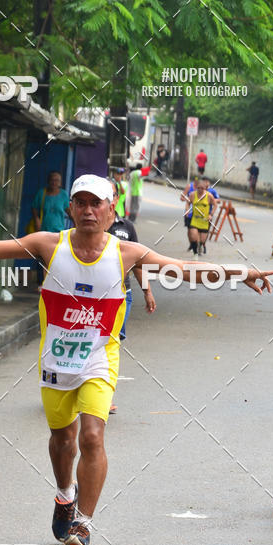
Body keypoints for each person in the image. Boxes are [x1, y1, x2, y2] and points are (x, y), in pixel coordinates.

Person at [0, 175, 273, 545]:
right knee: (63, 442)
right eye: (81, 203)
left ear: (110, 211)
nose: (89, 210)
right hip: (56, 360)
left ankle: (83, 525)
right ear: (71, 209)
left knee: (91, 438)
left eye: (97, 204)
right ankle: (65, 494)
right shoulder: (48, 244)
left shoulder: (127, 253)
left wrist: (242, 274)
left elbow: (183, 269)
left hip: (99, 359)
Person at [106, 178, 156, 415]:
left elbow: (138, 263)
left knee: (112, 344)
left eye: (110, 194)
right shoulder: (83, 228)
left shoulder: (126, 227)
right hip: (87, 299)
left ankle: (103, 396)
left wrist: (147, 291)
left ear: (116, 199)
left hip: (120, 295)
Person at [31, 171, 71, 286]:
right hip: (43, 231)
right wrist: (37, 220)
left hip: (58, 232)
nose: (54, 182)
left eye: (57, 180)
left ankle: (53, 282)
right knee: (41, 256)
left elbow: (69, 211)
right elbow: (34, 208)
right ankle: (41, 283)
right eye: (52, 180)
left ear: (60, 183)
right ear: (48, 181)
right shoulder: (42, 193)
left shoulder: (63, 195)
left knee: (56, 258)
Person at [183, 178, 215, 255]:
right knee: (194, 236)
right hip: (195, 219)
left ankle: (200, 246)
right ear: (196, 187)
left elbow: (215, 205)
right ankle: (195, 253)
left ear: (205, 188)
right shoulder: (193, 195)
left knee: (203, 240)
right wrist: (187, 210)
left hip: (204, 221)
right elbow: (188, 202)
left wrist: (211, 214)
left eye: (202, 188)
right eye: (198, 188)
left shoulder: (209, 195)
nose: (200, 189)